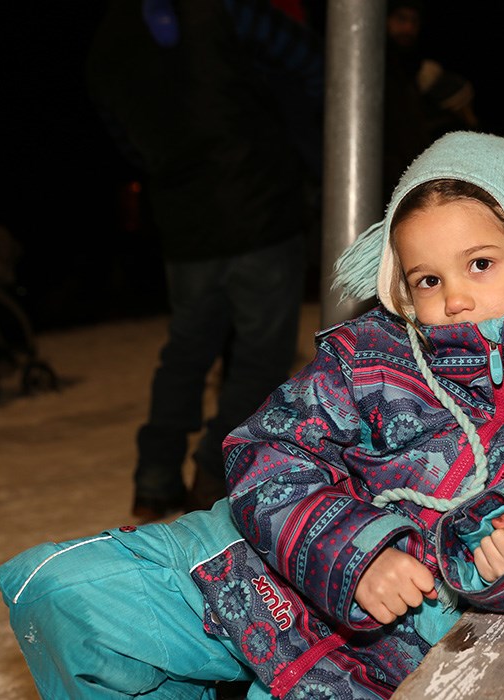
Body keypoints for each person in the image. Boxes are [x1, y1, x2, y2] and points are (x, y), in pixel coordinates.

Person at [0, 132, 504, 699]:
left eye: (480, 264)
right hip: (262, 571)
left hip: (374, 651)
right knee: (63, 593)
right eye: (428, 279)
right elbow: (267, 451)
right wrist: (359, 551)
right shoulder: (369, 360)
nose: (455, 298)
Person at [85, 0, 324, 521]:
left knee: (187, 350)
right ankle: (215, 472)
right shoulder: (224, 8)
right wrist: (294, 130)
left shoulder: (107, 39)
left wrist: (175, 161)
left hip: (183, 217)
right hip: (259, 203)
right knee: (261, 356)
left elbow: (125, 136)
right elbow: (315, 66)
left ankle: (155, 479)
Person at [382, 0, 479, 197]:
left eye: (414, 22)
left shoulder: (415, 68)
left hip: (409, 175)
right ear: (385, 20)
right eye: (401, 19)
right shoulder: (375, 65)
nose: (408, 28)